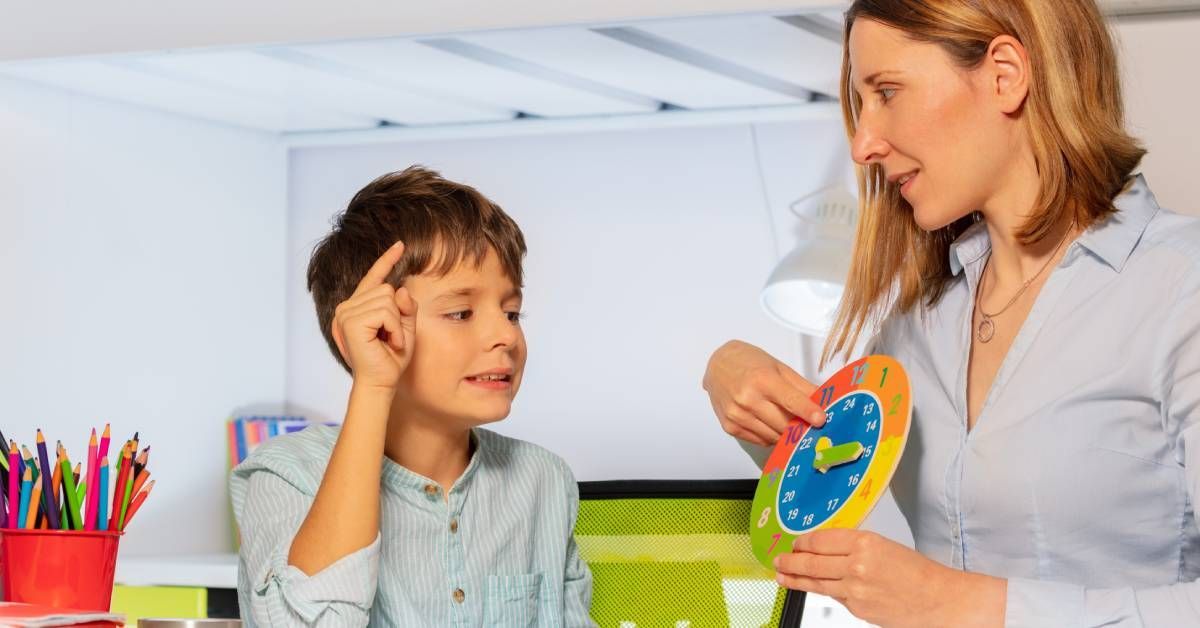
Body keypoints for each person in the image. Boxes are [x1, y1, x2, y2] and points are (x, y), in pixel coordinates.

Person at [703, 1, 1200, 626]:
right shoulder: (920, 322)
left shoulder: (1180, 289)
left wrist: (956, 604)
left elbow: (932, 597)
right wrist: (742, 389)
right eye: (861, 106)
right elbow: (841, 499)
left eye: (887, 92)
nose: (862, 145)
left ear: (1004, 74)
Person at [230, 166, 594, 626]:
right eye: (461, 312)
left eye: (512, 312)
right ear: (375, 330)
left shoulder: (543, 480)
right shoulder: (287, 474)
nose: (504, 334)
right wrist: (374, 384)